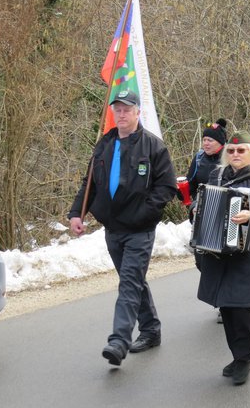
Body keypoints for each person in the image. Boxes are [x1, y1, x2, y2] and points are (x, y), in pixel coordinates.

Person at [68, 90, 177, 367]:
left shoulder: (154, 147)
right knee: (134, 279)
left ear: (138, 112)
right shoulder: (104, 144)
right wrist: (75, 213)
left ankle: (119, 340)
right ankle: (151, 329)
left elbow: (167, 187)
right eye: (117, 109)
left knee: (129, 282)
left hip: (140, 229)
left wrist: (145, 213)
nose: (122, 114)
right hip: (113, 229)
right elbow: (89, 182)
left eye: (127, 109)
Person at [197, 131, 250, 385]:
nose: (235, 155)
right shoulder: (217, 175)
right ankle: (237, 357)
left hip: (247, 253)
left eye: (241, 150)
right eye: (232, 151)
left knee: (240, 307)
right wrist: (197, 208)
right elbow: (203, 199)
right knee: (225, 304)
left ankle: (245, 359)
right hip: (218, 251)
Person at [186, 119, 227, 274]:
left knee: (221, 256)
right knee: (200, 259)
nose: (206, 143)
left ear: (221, 143)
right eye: (204, 140)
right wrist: (180, 191)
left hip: (224, 214)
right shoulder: (198, 159)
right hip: (201, 213)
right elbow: (190, 186)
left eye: (210, 140)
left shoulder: (230, 158)